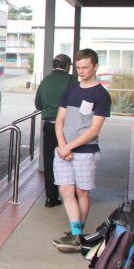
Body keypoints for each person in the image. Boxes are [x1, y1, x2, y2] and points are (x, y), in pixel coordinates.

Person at [51, 49, 111, 253]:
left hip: (85, 151)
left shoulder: (101, 95)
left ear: (95, 66)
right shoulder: (71, 90)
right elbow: (59, 120)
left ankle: (76, 234)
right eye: (78, 68)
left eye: (85, 67)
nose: (81, 71)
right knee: (65, 190)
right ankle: (76, 234)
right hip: (63, 150)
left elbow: (94, 130)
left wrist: (69, 146)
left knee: (81, 191)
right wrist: (62, 145)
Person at [34, 54, 78, 207]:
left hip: (48, 125)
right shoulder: (71, 80)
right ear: (67, 66)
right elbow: (76, 102)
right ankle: (72, 195)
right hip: (67, 127)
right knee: (70, 159)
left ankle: (50, 198)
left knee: (49, 161)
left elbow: (38, 104)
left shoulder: (45, 80)